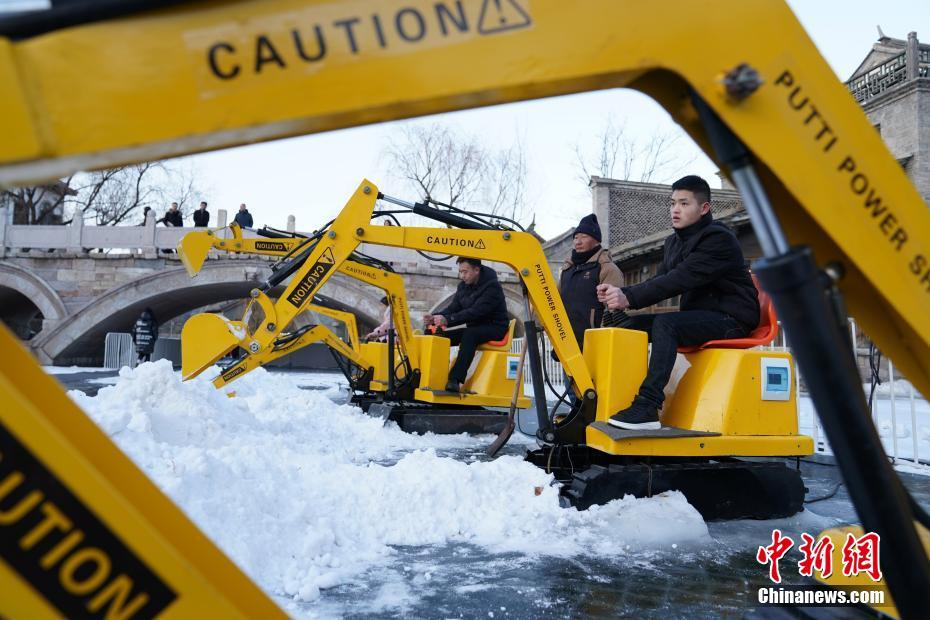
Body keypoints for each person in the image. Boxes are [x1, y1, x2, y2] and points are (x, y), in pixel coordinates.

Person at [596, 175, 760, 430]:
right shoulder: (674, 241)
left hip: (732, 318)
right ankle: (608, 397)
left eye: (684, 203)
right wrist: (621, 295)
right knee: (627, 326)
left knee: (666, 324)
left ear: (704, 208)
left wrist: (628, 297)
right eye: (672, 203)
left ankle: (648, 405)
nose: (675, 209)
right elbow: (661, 279)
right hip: (701, 316)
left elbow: (679, 279)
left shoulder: (718, 239)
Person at [424, 257, 509, 393]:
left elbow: (475, 312)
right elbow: (453, 308)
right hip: (475, 327)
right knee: (438, 335)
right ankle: (424, 374)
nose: (462, 276)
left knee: (470, 334)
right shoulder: (463, 286)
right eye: (460, 272)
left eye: (465, 272)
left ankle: (455, 380)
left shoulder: (493, 288)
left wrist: (447, 320)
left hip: (495, 327)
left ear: (476, 270)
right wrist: (434, 317)